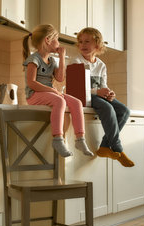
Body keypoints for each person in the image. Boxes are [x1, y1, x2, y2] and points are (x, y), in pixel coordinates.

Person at [22, 24, 93, 158]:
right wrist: (52, 91)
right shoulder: (34, 59)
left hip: (49, 93)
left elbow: (60, 78)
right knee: (59, 100)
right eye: (57, 39)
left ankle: (80, 139)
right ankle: (58, 139)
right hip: (34, 95)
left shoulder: (51, 60)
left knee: (76, 102)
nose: (58, 43)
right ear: (48, 40)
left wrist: (61, 58)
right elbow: (31, 83)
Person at [70, 27, 134, 167]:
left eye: (87, 41)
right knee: (107, 108)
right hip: (82, 96)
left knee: (124, 111)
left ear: (97, 45)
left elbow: (103, 85)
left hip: (96, 96)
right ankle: (118, 149)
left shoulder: (101, 65)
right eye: (80, 42)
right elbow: (77, 88)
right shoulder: (76, 61)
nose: (82, 45)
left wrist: (109, 94)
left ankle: (105, 146)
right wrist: (98, 93)